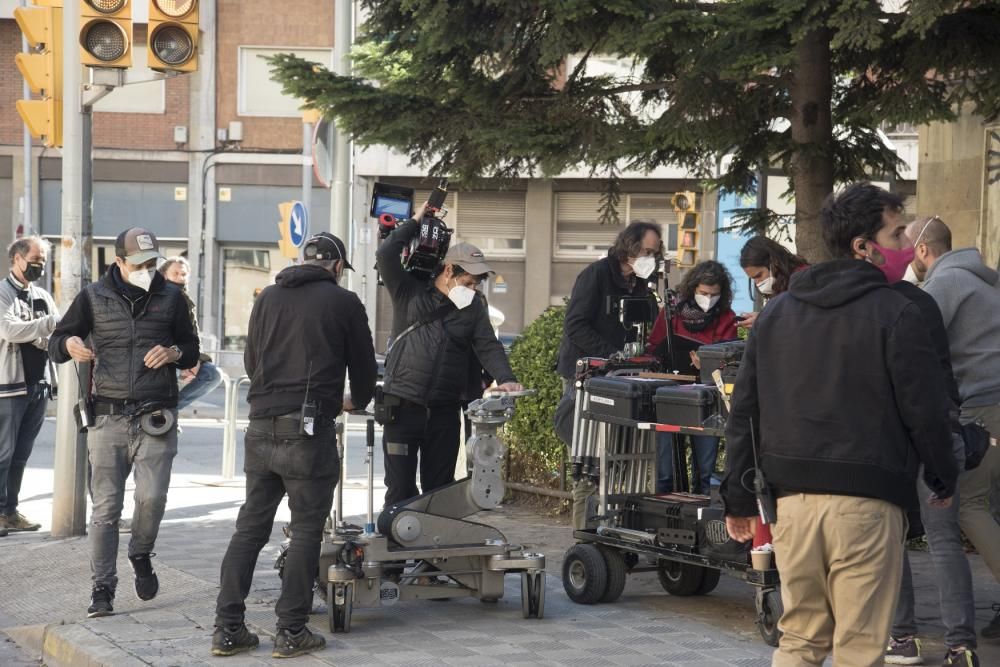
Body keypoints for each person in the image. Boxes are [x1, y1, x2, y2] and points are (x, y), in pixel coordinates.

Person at [721, 182, 958, 666]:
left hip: (791, 506)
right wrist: (942, 473)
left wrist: (738, 498)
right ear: (862, 246)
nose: (905, 249)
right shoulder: (899, 311)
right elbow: (926, 408)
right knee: (858, 643)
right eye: (896, 236)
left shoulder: (776, 314)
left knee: (801, 639)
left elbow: (745, 413)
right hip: (866, 504)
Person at [212, 232, 376, 659]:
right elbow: (362, 368)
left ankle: (228, 629)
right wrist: (354, 401)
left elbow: (252, 361)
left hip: (261, 425)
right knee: (305, 530)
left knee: (250, 528)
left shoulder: (267, 297)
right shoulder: (344, 303)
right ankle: (291, 631)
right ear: (337, 267)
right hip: (308, 430)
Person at [48, 228, 200, 618]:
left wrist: (173, 352)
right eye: (139, 264)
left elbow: (191, 350)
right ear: (119, 262)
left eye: (152, 263)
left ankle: (141, 552)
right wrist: (68, 345)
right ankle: (102, 589)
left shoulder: (173, 298)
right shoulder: (93, 298)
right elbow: (58, 340)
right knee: (105, 510)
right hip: (108, 417)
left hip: (156, 414)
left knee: (153, 498)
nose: (147, 270)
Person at [883, 215, 981, 666]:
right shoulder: (926, 301)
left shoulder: (893, 305)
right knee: (943, 540)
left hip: (898, 437)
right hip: (943, 430)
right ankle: (961, 647)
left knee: (895, 537)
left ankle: (903, 638)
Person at [377, 211, 521, 509]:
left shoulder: (473, 309)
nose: (473, 290)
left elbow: (488, 346)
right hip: (402, 406)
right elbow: (386, 252)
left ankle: (431, 552)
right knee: (401, 486)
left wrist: (506, 379)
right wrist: (416, 220)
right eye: (468, 282)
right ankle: (397, 550)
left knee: (439, 489)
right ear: (448, 271)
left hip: (443, 411)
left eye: (476, 284)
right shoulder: (409, 291)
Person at [908, 214, 1000, 648]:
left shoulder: (944, 285)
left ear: (924, 250)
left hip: (980, 405)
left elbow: (915, 344)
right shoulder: (986, 279)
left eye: (909, 250)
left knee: (968, 505)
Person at [554, 221, 663, 528]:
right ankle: (584, 538)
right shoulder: (596, 275)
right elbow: (575, 325)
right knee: (588, 463)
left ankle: (617, 532)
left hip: (621, 380)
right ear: (628, 246)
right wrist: (610, 354)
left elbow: (651, 329)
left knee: (624, 460)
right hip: (587, 377)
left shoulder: (643, 285)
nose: (649, 257)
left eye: (654, 253)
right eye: (645, 251)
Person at [647, 260, 738, 495]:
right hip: (670, 392)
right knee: (665, 470)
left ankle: (702, 516)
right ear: (693, 289)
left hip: (706, 398)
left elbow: (730, 357)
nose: (708, 298)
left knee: (705, 470)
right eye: (703, 293)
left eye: (714, 294)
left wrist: (707, 363)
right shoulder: (672, 313)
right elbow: (654, 346)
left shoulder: (726, 317)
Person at [0, 237, 59, 536]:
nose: (41, 265)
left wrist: (40, 333)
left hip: (39, 385)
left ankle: (10, 511)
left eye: (44, 260)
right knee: (3, 453)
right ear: (17, 258)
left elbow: (56, 336)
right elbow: (8, 329)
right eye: (36, 259)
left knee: (21, 454)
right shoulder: (2, 292)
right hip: (9, 386)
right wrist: (46, 326)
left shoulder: (42, 295)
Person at [158, 257, 224, 411]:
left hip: (182, 355)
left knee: (212, 374)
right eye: (175, 273)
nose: (181, 277)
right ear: (164, 276)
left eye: (184, 274)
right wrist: (184, 357)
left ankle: (168, 411)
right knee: (170, 374)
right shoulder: (159, 297)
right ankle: (164, 413)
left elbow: (193, 335)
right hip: (163, 356)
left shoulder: (185, 299)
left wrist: (195, 359)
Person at [737, 236, 809, 328]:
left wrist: (766, 321)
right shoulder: (782, 283)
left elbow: (804, 321)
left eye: (759, 275)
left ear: (774, 263)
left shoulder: (804, 280)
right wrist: (762, 317)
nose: (757, 283)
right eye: (753, 279)